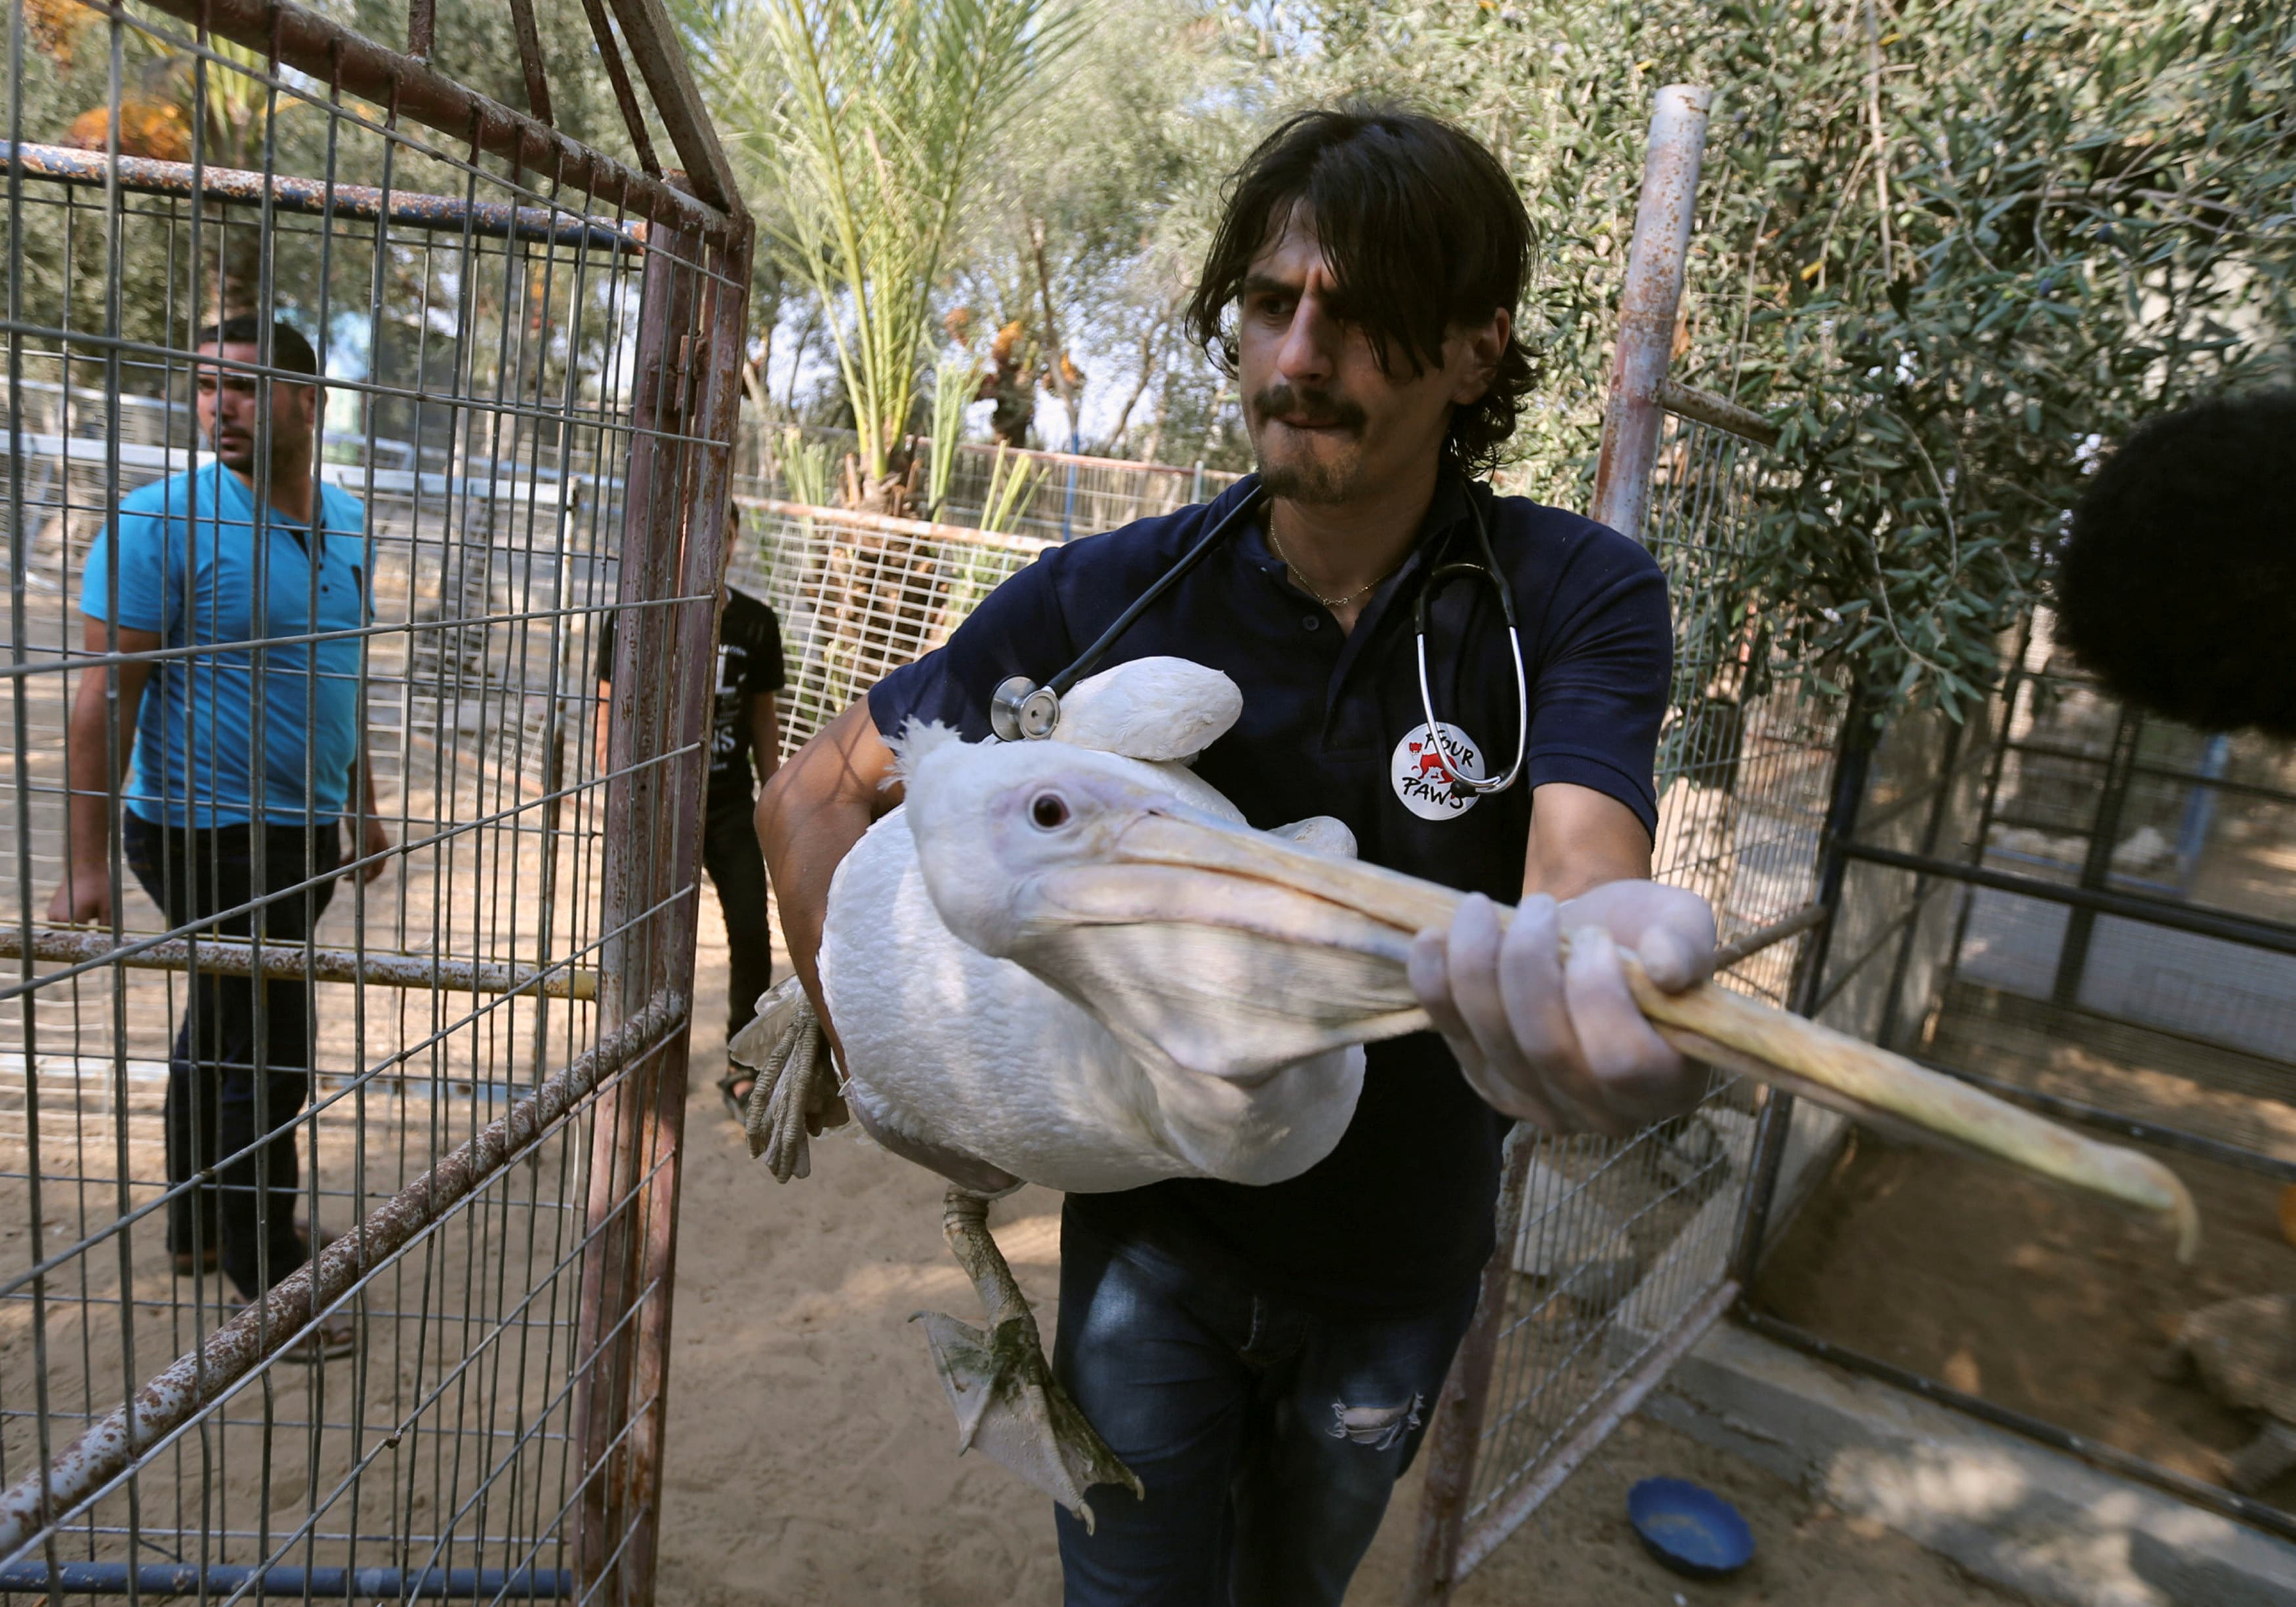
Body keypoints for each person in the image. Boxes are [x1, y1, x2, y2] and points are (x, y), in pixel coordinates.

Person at [756, 107, 1717, 1602]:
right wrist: (861, 1035)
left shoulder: (1570, 595)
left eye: (1365, 313)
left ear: (1476, 349)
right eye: (1273, 304)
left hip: (1398, 1276)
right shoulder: (1111, 598)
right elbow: (816, 790)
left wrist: (1601, 995)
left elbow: (1579, 887)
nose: (1299, 357)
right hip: (1153, 1262)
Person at [48, 315, 388, 1350]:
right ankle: (271, 1278)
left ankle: (200, 1226)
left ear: (304, 401)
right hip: (203, 829)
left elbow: (340, 672)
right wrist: (85, 869)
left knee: (225, 1021)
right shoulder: (161, 524)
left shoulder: (345, 521)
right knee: (270, 1051)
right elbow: (104, 699)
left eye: (239, 387)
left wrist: (360, 805)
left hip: (297, 832)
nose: (216, 406)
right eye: (204, 387)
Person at [597, 532, 786, 1112]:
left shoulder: (755, 622)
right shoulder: (634, 617)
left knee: (752, 932)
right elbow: (610, 709)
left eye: (720, 535)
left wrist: (774, 798)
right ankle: (636, 1056)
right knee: (647, 938)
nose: (707, 547)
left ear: (731, 542)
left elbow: (762, 720)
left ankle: (744, 1065)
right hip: (658, 804)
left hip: (729, 805)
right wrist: (616, 795)